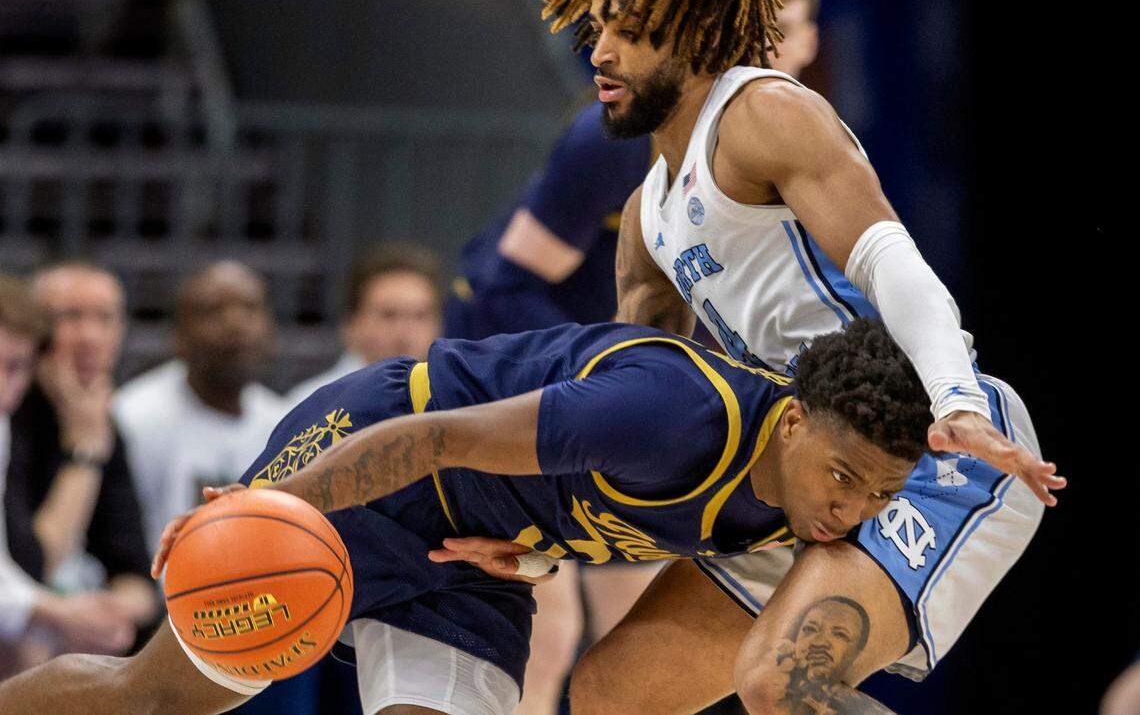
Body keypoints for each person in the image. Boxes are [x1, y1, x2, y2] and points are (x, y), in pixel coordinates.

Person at [438, 0, 1062, 712]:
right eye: (596, 29)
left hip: (919, 445)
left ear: (695, 32)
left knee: (781, 682)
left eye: (630, 32)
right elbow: (631, 424)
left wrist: (958, 403)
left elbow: (895, 265)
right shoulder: (645, 218)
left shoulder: (762, 113)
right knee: (609, 692)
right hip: (795, 467)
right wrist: (545, 536)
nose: (599, 53)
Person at [0, 316, 934, 715]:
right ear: (797, 419)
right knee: (157, 697)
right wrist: (266, 506)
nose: (849, 509)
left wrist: (533, 561)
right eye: (844, 477)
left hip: (473, 556)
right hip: (377, 461)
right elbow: (435, 437)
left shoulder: (816, 512)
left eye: (879, 495)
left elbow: (591, 532)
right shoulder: (670, 412)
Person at [444, 0, 824, 714]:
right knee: (544, 633)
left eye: (797, 27)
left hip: (633, 383)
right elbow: (505, 284)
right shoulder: (612, 137)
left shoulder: (795, 143)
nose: (784, 45)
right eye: (770, 28)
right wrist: (601, 383)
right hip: (535, 367)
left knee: (633, 630)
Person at [4, 263, 156, 631]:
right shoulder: (8, 414)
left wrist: (114, 609)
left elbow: (135, 571)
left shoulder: (101, 417)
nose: (90, 337)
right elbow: (31, 567)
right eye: (70, 317)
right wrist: (84, 454)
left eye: (105, 319)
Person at [115, 260, 286, 553]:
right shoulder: (132, 417)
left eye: (250, 308)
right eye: (212, 311)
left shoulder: (284, 423)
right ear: (178, 335)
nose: (236, 323)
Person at [287, 243, 443, 407]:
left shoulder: (454, 404)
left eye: (420, 316)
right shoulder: (309, 405)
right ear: (351, 325)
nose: (404, 331)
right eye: (388, 315)